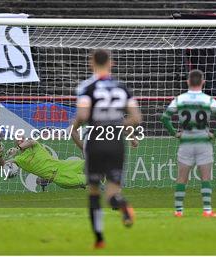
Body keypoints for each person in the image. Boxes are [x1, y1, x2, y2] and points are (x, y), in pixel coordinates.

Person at [70, 49, 142, 249]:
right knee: (112, 193)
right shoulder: (122, 88)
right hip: (115, 141)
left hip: (95, 140)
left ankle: (99, 238)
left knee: (93, 191)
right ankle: (122, 204)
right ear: (111, 63)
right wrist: (122, 128)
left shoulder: (87, 87)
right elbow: (136, 117)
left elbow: (83, 115)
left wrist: (74, 125)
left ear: (91, 62)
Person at [160, 69, 216, 218]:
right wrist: (214, 135)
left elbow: (165, 117)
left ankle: (178, 211)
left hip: (186, 142)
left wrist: (175, 133)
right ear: (203, 82)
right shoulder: (208, 100)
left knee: (182, 178)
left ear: (187, 82)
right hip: (203, 141)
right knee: (205, 177)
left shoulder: (180, 99)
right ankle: (207, 210)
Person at [0, 138, 85, 189]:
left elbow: (31, 141)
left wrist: (17, 148)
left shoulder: (35, 145)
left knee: (96, 164)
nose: (20, 140)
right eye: (18, 140)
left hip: (66, 165)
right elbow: (2, 165)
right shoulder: (19, 160)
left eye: (22, 139)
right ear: (15, 143)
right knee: (95, 178)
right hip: (61, 178)